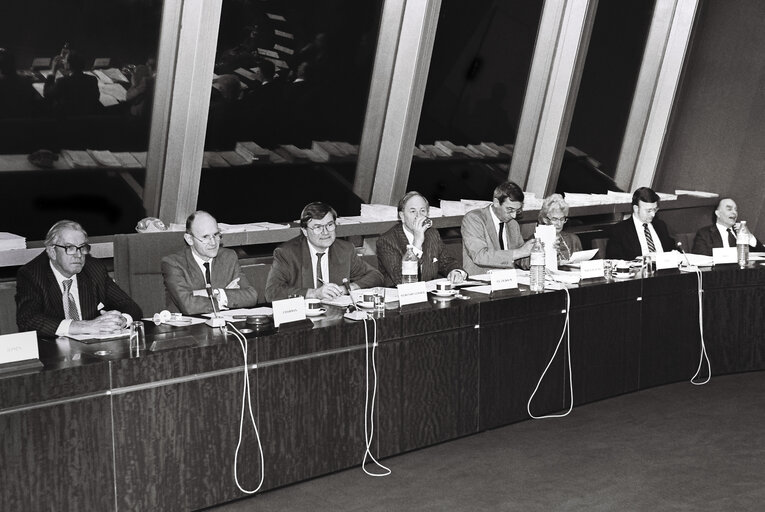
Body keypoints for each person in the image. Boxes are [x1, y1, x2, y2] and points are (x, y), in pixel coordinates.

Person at [15, 220, 142, 338]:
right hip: (54, 352)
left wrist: (120, 320)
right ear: (52, 252)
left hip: (93, 349)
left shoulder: (94, 269)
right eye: (70, 248)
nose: (79, 255)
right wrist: (85, 326)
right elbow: (28, 320)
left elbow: (130, 306)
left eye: (82, 247)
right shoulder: (32, 274)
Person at [265, 202, 383, 301]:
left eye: (329, 225)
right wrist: (314, 293)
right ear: (305, 231)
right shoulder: (287, 253)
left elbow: (376, 276)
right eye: (317, 227)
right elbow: (272, 292)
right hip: (302, 319)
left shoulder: (345, 250)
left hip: (336, 316)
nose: (325, 232)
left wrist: (347, 288)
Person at [161, 211, 258, 315]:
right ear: (189, 239)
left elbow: (251, 296)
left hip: (224, 325)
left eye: (216, 235)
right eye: (205, 237)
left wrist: (217, 293)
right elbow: (189, 306)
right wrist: (224, 296)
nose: (213, 242)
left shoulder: (228, 257)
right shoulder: (173, 264)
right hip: (188, 328)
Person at [376, 191, 467, 286]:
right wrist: (417, 242)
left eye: (422, 211)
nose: (418, 216)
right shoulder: (386, 241)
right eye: (413, 211)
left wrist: (455, 272)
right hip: (400, 296)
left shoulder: (432, 233)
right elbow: (400, 279)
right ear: (402, 216)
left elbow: (446, 261)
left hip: (429, 294)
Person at [461, 180, 535, 275]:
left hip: (508, 281)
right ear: (496, 202)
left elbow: (520, 260)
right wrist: (519, 252)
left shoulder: (513, 224)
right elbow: (480, 256)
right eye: (510, 209)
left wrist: (538, 253)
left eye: (518, 210)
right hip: (482, 283)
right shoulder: (474, 219)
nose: (514, 216)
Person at [606, 187, 676, 260]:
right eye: (649, 211)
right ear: (636, 208)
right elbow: (614, 260)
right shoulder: (619, 230)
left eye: (655, 209)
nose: (653, 214)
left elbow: (672, 250)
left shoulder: (660, 225)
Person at [692, 197, 765, 255]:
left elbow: (762, 253)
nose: (734, 212)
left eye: (736, 210)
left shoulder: (741, 233)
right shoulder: (704, 234)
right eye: (729, 209)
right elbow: (700, 258)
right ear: (718, 213)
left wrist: (749, 236)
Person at [43, 50, 101, 116]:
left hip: (67, 119)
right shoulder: (92, 80)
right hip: (87, 118)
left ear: (69, 64)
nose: (63, 62)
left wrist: (53, 71)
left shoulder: (62, 81)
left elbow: (47, 94)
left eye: (65, 60)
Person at [537, 194, 582, 263]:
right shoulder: (536, 240)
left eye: (562, 219)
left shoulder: (573, 239)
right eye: (555, 219)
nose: (559, 223)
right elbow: (526, 264)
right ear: (545, 220)